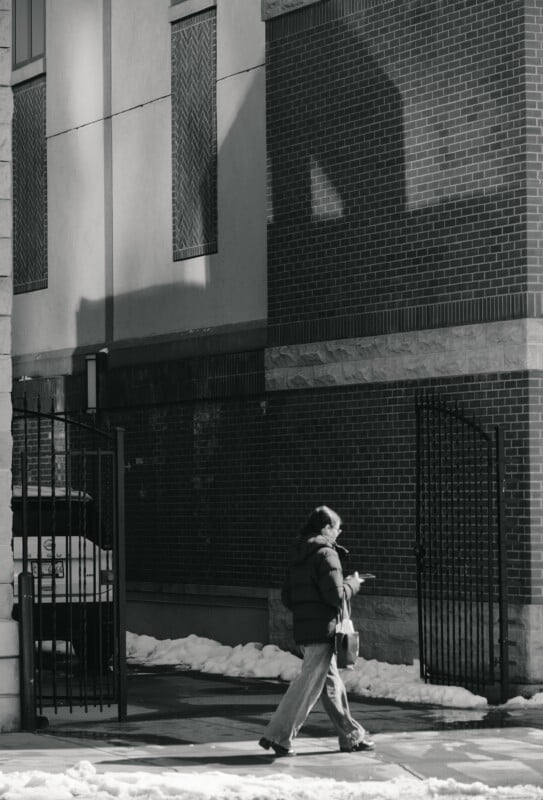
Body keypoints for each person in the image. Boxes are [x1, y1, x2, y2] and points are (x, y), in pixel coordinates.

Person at [259, 505, 374, 757]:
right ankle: (278, 736)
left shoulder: (299, 552)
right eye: (337, 528)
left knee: (332, 687)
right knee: (306, 685)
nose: (339, 533)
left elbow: (288, 596)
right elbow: (335, 596)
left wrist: (306, 610)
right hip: (324, 630)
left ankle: (351, 736)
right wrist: (353, 583)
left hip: (306, 628)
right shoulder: (327, 553)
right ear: (325, 528)